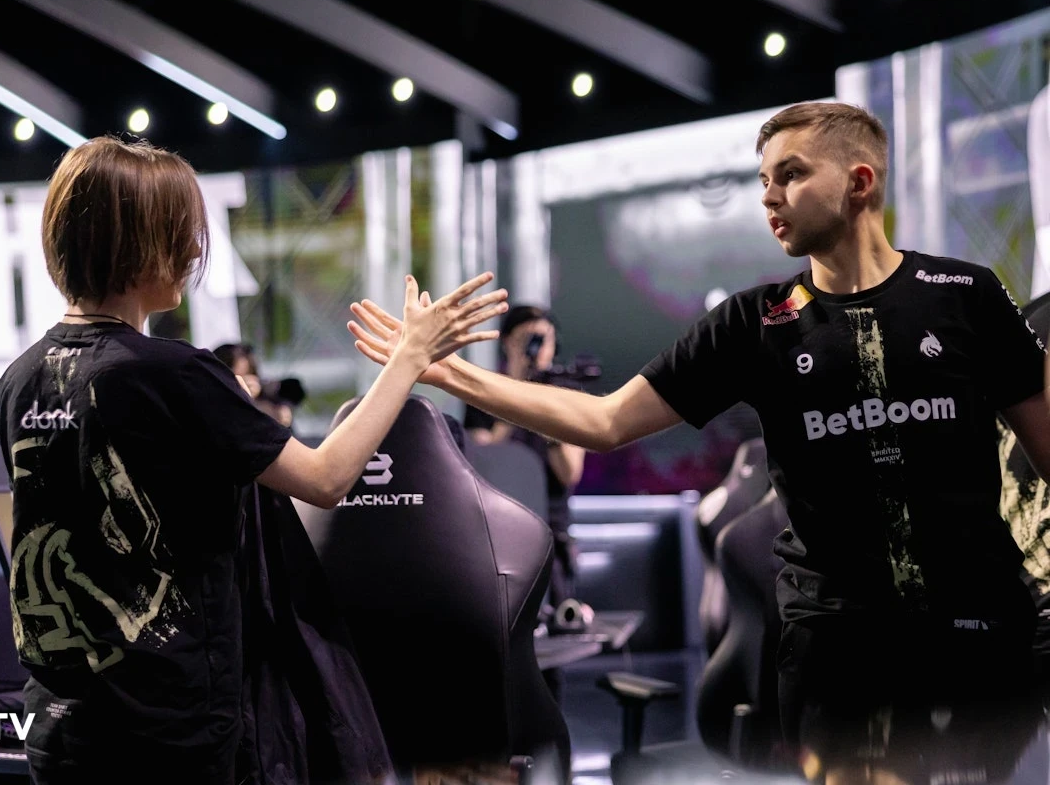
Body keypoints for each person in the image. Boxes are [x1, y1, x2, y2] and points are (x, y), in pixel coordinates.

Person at [348, 102, 1050, 738]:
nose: (769, 195)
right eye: (764, 180)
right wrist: (445, 372)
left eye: (791, 174)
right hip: (835, 648)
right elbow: (603, 420)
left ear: (859, 182)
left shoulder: (967, 296)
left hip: (982, 635)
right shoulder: (754, 322)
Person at [0, 135, 507, 784]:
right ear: (140, 242)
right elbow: (326, 478)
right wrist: (409, 360)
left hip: (60, 727)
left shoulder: (20, 380)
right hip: (169, 732)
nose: (193, 253)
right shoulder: (175, 375)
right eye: (181, 233)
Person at [462, 305, 587, 608]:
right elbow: (484, 461)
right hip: (497, 528)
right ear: (507, 343)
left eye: (544, 340)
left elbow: (569, 473)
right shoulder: (484, 393)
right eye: (528, 340)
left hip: (551, 529)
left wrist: (544, 410)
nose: (537, 349)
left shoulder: (567, 394)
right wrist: (515, 393)